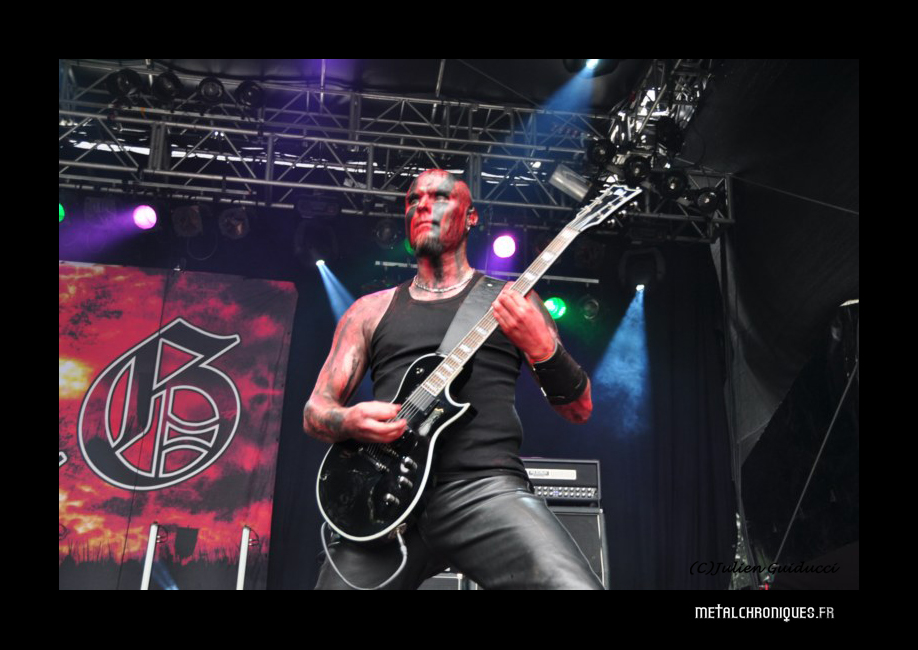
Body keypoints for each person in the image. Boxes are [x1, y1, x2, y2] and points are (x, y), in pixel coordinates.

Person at [304, 169, 603, 589]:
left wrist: (543, 348)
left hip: (485, 489)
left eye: (440, 197)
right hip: (384, 497)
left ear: (471, 216)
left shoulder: (512, 301)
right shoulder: (369, 311)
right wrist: (349, 420)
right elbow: (316, 410)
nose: (423, 206)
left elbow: (579, 409)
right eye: (413, 200)